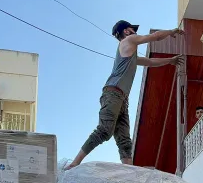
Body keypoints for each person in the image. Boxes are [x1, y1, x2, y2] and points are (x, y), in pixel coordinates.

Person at [65, 20, 184, 170]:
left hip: (121, 99)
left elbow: (150, 61)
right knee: (104, 130)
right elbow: (155, 37)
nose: (135, 32)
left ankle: (130, 173)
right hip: (113, 93)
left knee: (124, 141)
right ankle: (75, 163)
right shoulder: (129, 40)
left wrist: (170, 61)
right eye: (132, 30)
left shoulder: (130, 55)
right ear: (126, 32)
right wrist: (172, 31)